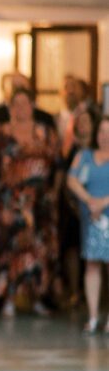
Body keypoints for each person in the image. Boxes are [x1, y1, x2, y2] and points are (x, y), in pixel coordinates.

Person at [0, 88, 62, 318]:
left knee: (39, 249)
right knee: (11, 248)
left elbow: (58, 164)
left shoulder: (46, 132)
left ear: (32, 105)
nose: (20, 108)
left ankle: (38, 297)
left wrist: (55, 191)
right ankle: (8, 298)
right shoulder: (1, 132)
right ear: (10, 107)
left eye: (25, 103)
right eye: (16, 104)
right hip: (10, 200)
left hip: (40, 201)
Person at [67, 116, 109, 333]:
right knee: (92, 264)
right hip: (91, 219)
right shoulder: (84, 156)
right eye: (102, 131)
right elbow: (71, 180)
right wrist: (90, 200)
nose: (105, 136)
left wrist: (103, 202)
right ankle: (93, 316)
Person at [59, 107, 97, 308]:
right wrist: (74, 204)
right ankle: (75, 291)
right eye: (79, 122)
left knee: (98, 253)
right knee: (72, 246)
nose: (82, 125)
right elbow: (67, 179)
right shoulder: (72, 150)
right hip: (75, 207)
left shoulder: (99, 150)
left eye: (86, 121)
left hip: (97, 207)